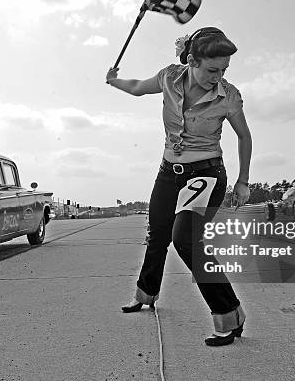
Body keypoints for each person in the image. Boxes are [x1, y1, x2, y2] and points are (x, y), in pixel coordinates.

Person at [105, 27, 252, 347]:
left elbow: (244, 136)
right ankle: (145, 294)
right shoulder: (169, 78)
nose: (219, 76)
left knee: (184, 237)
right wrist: (114, 79)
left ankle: (230, 314)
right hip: (168, 172)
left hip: (207, 173)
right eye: (213, 69)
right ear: (192, 60)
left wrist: (242, 181)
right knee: (157, 233)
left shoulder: (228, 95)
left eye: (224, 70)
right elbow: (138, 87)